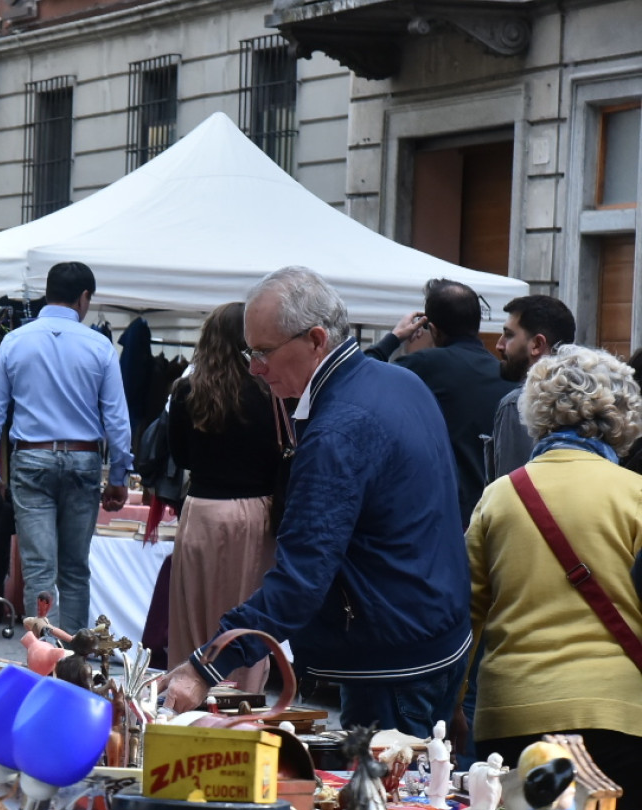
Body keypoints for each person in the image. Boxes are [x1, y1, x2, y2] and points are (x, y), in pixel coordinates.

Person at [163, 267, 471, 736]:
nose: (254, 368)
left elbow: (300, 580)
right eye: (250, 351)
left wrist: (206, 666)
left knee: (380, 801)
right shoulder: (396, 381)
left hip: (393, 652)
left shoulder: (337, 429)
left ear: (316, 340)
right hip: (430, 633)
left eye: (262, 352)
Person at [467, 347, 642, 809]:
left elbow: (467, 614)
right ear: (622, 417)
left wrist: (455, 702)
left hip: (511, 712)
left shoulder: (499, 497)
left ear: (536, 413)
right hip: (618, 714)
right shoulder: (636, 495)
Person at [0, 262, 133, 634]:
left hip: (32, 456)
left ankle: (44, 658)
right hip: (83, 457)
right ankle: (74, 659)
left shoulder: (15, 341)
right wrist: (120, 475)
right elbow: (118, 422)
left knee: (39, 568)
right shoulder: (99, 346)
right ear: (84, 297)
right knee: (75, 567)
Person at [166, 302, 282, 694]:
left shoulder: (187, 391)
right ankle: (243, 704)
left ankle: (190, 696)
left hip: (200, 510)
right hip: (253, 513)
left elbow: (179, 456)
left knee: (192, 615)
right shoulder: (269, 394)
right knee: (246, 617)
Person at [392, 279, 508, 522]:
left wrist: (394, 338)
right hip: (494, 515)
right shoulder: (507, 375)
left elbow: (360, 380)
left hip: (437, 519)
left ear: (432, 328)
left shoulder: (422, 366)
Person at [489, 295, 576, 480]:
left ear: (537, 344)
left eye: (509, 335)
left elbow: (511, 492)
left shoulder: (518, 404)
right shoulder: (588, 399)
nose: (499, 345)